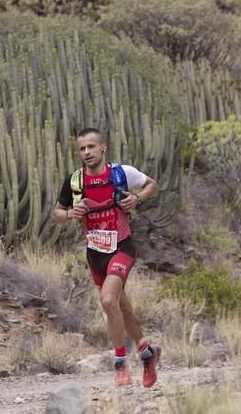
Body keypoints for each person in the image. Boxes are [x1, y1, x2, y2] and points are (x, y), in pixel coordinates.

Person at [53, 127, 161, 388]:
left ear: (103, 148)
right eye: (82, 148)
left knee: (108, 299)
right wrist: (70, 214)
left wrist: (136, 199)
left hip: (122, 248)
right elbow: (57, 213)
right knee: (121, 308)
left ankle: (120, 363)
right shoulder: (75, 181)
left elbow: (152, 185)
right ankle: (148, 355)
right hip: (95, 255)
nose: (87, 152)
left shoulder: (121, 173)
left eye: (91, 147)